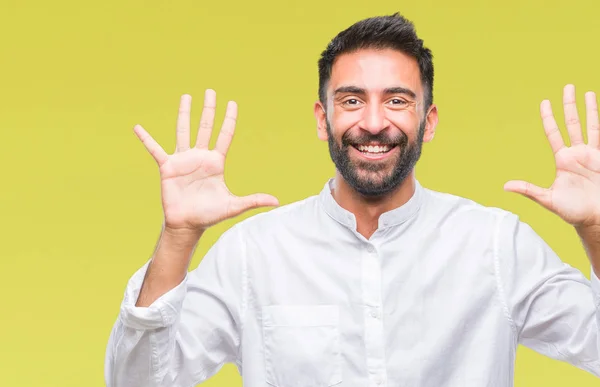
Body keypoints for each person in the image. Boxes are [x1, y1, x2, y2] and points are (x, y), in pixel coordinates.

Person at [104, 12, 600, 387]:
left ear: (428, 121)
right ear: (324, 119)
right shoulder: (253, 253)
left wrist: (596, 229)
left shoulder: (496, 244)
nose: (374, 122)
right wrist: (179, 236)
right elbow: (137, 381)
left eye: (398, 100)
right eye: (352, 99)